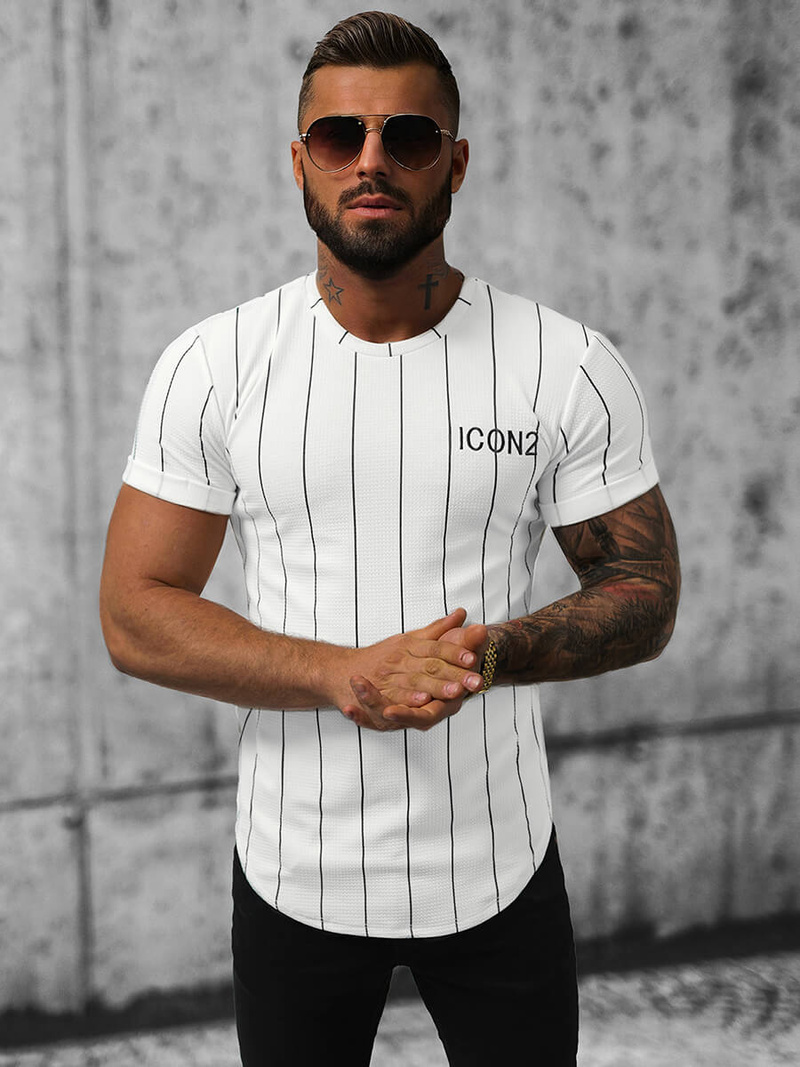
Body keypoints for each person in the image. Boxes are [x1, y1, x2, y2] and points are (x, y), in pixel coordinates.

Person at [99, 10, 680, 1066]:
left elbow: (642, 585)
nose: (370, 161)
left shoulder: (565, 364)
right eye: (339, 136)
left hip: (497, 858)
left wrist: (485, 654)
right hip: (294, 866)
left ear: (455, 163)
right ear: (299, 162)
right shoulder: (215, 365)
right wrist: (343, 673)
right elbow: (135, 612)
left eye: (407, 136)